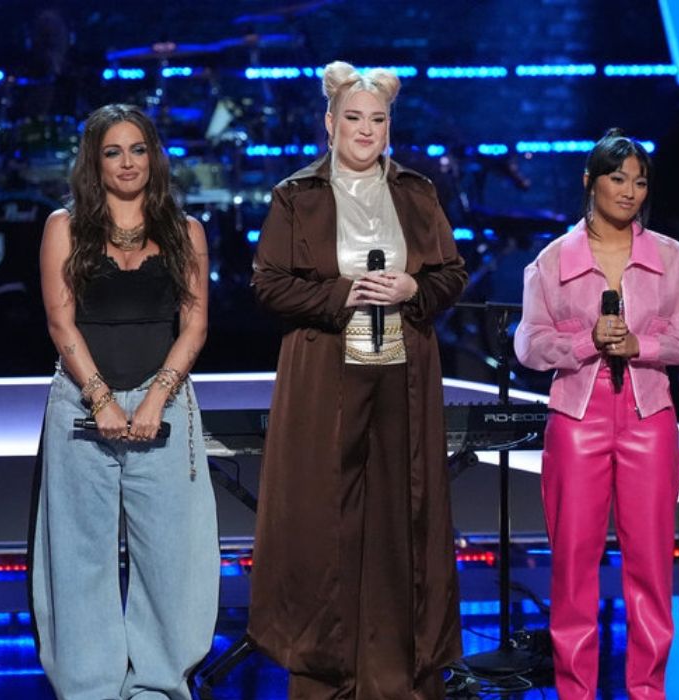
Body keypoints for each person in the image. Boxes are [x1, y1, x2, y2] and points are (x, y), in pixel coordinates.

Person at [248, 61, 467, 700]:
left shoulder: (417, 192)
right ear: (330, 123)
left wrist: (412, 287)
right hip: (326, 375)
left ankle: (396, 671)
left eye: (377, 120)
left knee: (404, 513)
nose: (365, 130)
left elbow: (451, 273)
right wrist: (343, 294)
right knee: (323, 516)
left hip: (404, 374)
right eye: (353, 118)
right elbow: (268, 283)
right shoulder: (298, 194)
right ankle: (325, 669)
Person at [30, 103, 219, 700]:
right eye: (113, 151)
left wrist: (155, 398)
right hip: (82, 406)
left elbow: (194, 326)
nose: (128, 162)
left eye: (137, 149)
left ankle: (159, 687)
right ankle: (89, 687)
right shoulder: (64, 226)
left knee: (173, 556)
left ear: (153, 156)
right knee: (79, 556)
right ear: (95, 161)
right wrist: (101, 399)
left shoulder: (186, 231)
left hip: (164, 406)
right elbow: (62, 325)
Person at [515, 128, 679, 700]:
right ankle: (576, 690)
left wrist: (640, 346)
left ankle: (647, 689)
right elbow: (529, 342)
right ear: (589, 182)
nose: (630, 191)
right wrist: (585, 344)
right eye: (618, 178)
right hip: (577, 417)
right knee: (573, 563)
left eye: (640, 181)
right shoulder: (553, 259)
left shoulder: (672, 257)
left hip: (650, 414)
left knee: (649, 563)